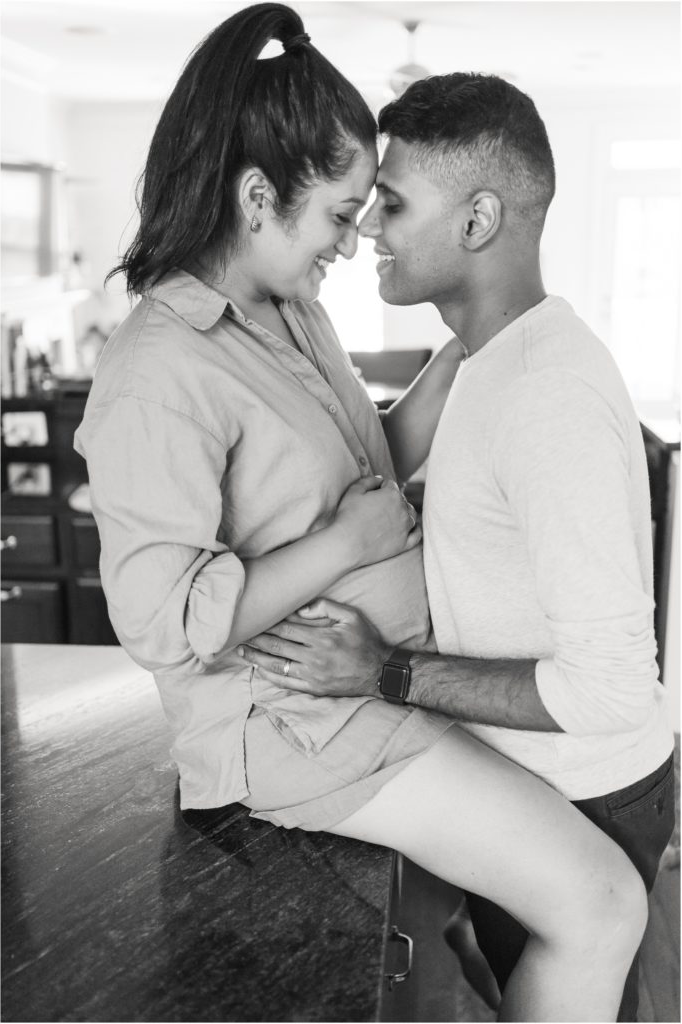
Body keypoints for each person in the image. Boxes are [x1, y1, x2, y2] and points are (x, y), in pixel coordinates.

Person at [74, 8, 648, 1020]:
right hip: (303, 727)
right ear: (257, 198)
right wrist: (346, 543)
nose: (357, 238)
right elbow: (160, 622)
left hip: (371, 698)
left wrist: (484, 330)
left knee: (496, 926)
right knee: (600, 902)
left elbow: (363, 456)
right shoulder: (159, 367)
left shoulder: (289, 309)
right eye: (342, 214)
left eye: (368, 207)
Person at [240, 71, 676, 1022]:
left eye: (390, 204)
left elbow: (609, 688)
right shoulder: (481, 359)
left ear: (478, 220)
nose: (366, 234)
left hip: (585, 797)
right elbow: (384, 469)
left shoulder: (543, 395)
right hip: (525, 779)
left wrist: (383, 672)